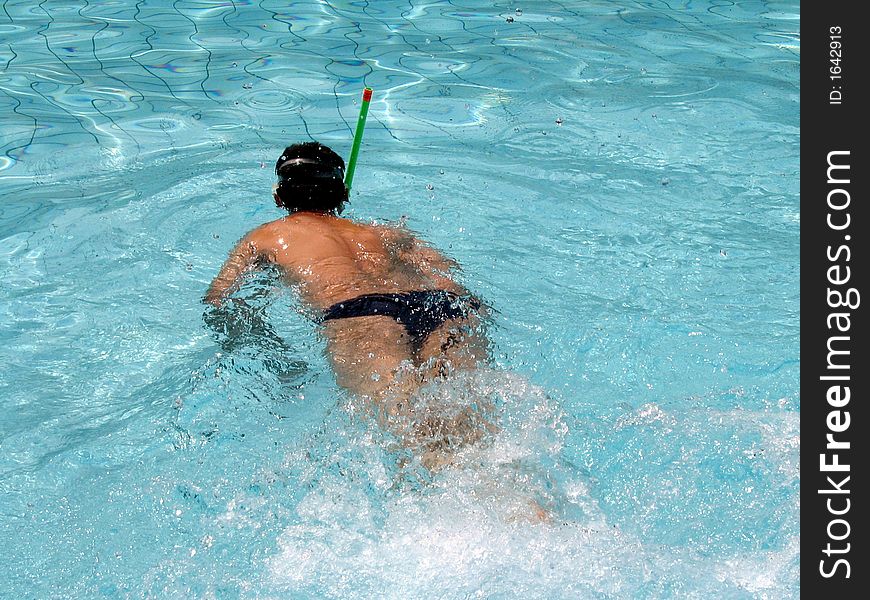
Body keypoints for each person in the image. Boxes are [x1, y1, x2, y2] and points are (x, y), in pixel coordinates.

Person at [205, 142, 491, 468]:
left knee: (413, 443)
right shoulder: (387, 233)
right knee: (472, 437)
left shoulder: (264, 237)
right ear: (343, 194)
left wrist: (272, 352)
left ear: (279, 198)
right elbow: (448, 276)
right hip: (443, 309)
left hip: (361, 315)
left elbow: (218, 300)